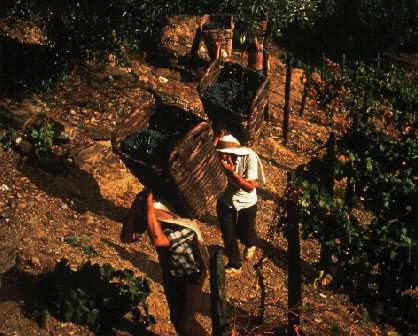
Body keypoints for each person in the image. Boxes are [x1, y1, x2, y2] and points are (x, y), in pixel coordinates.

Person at [121, 189, 209, 336]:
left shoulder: (172, 219)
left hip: (191, 274)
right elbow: (128, 236)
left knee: (184, 323)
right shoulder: (164, 213)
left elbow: (159, 240)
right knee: (177, 317)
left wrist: (149, 208)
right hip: (172, 271)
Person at [215, 132, 265, 275]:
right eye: (221, 153)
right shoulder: (218, 158)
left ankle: (250, 243)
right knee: (228, 233)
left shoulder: (249, 157)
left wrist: (232, 174)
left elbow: (250, 187)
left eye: (226, 153)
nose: (223, 156)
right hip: (226, 199)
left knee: (247, 229)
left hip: (246, 201)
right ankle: (235, 263)